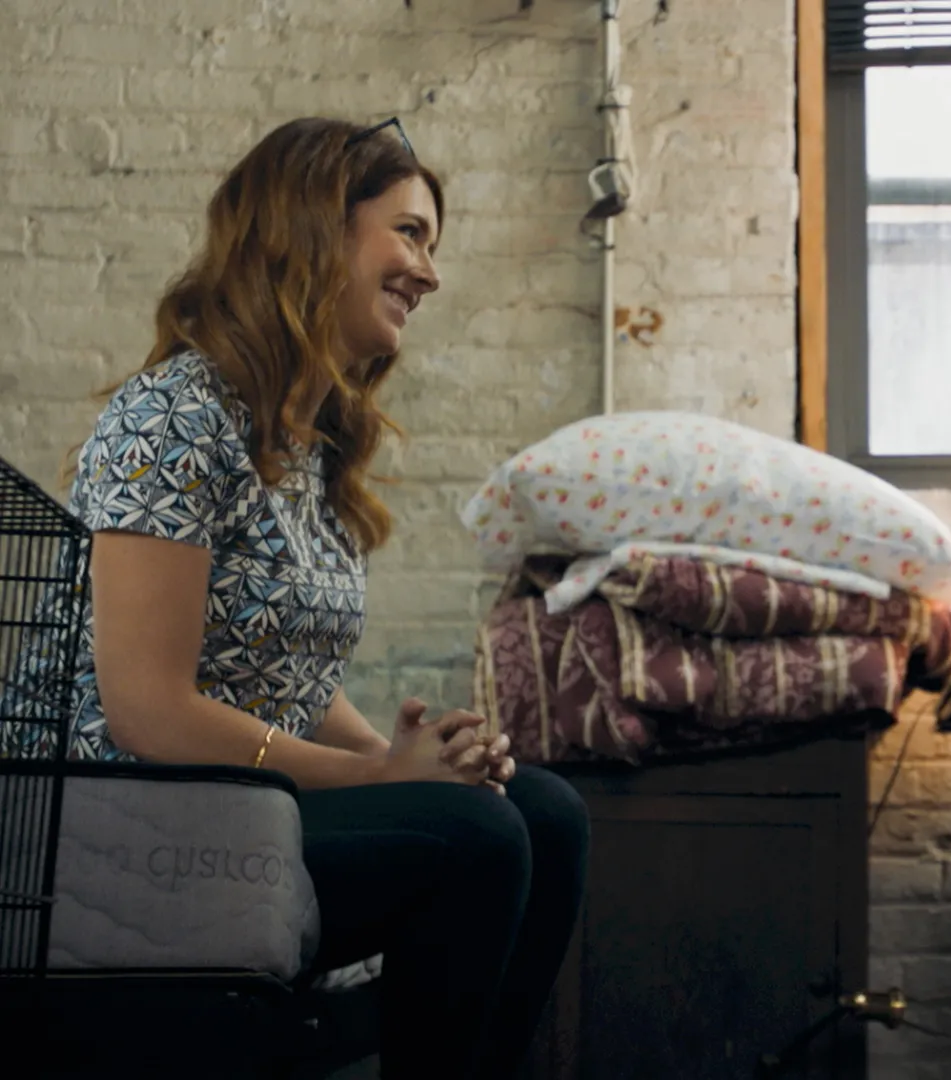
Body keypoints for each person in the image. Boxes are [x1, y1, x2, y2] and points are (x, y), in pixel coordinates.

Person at [46, 117, 588, 1080]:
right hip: (129, 823)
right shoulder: (173, 416)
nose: (430, 274)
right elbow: (148, 710)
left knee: (541, 810)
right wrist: (379, 780)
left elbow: (280, 671)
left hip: (234, 802)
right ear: (314, 229)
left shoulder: (301, 441)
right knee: (476, 838)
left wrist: (407, 761)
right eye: (410, 233)